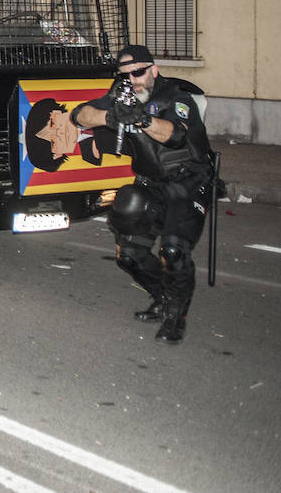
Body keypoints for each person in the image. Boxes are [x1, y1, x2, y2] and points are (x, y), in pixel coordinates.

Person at [70, 45, 214, 345]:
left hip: (188, 182)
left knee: (173, 251)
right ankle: (162, 297)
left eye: (138, 72)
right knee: (129, 255)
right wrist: (108, 117)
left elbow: (173, 135)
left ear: (153, 70)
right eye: (125, 75)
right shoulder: (121, 94)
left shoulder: (177, 97)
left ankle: (176, 318)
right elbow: (78, 115)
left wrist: (141, 119)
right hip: (151, 182)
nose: (133, 80)